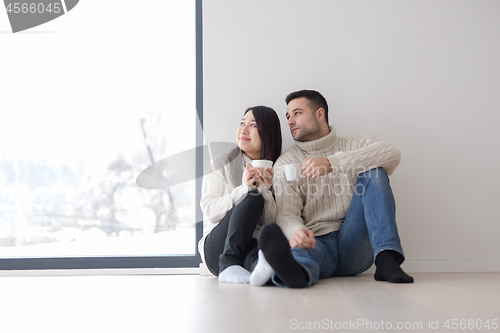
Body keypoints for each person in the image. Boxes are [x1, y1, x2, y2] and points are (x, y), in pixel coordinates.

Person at [251, 90, 413, 288]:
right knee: (298, 253)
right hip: (317, 243)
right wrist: (297, 232)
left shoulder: (357, 144)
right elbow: (286, 214)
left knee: (375, 172)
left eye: (297, 113)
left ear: (320, 114)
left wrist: (332, 163)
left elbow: (391, 154)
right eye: (287, 116)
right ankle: (295, 272)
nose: (290, 121)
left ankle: (387, 259)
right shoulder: (287, 162)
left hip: (355, 242)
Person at [199, 106, 282, 283]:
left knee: (264, 267)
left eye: (253, 125)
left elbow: (272, 225)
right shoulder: (221, 164)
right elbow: (209, 211)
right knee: (252, 197)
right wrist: (244, 189)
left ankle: (265, 273)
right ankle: (228, 265)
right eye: (242, 123)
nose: (243, 130)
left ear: (268, 134)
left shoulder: (280, 170)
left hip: (252, 246)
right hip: (217, 250)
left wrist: (267, 190)